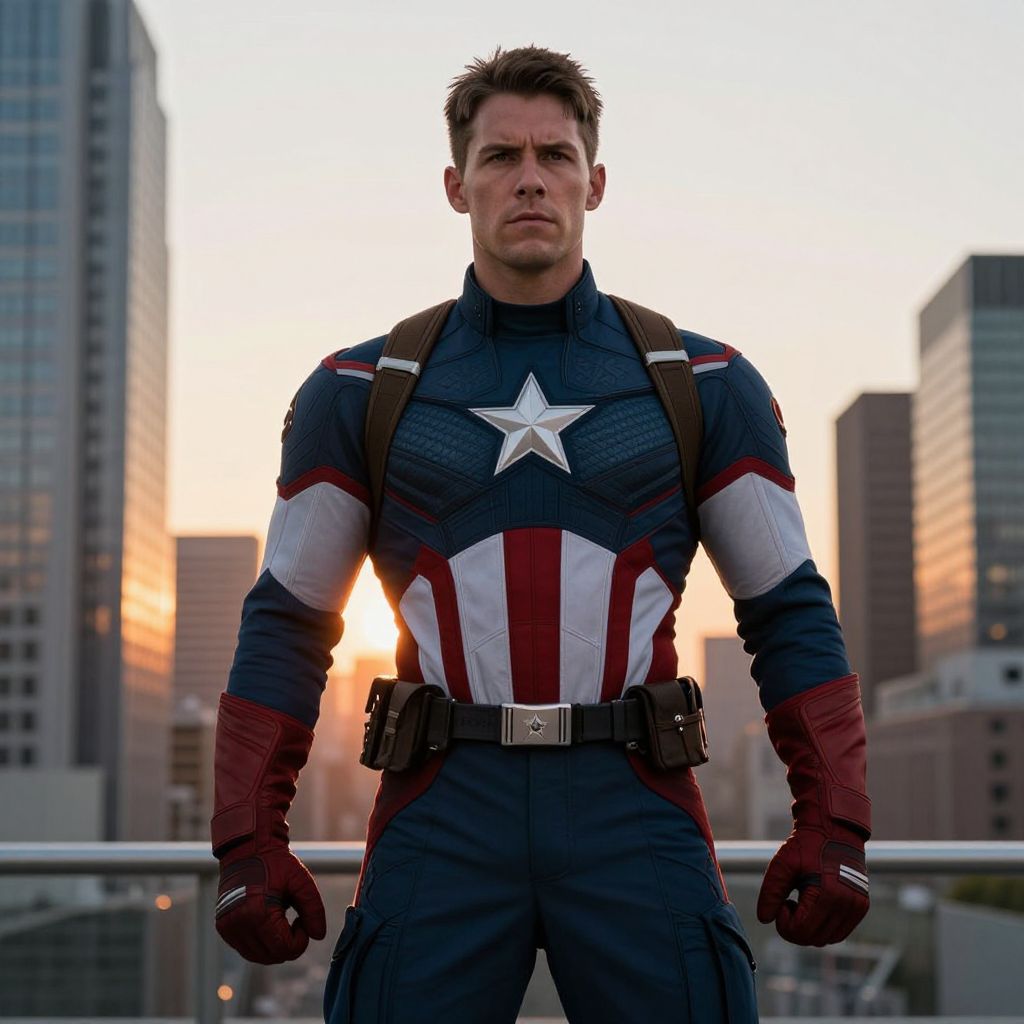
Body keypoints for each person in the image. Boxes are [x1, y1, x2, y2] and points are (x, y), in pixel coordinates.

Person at [210, 46, 871, 1024]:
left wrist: (838, 820)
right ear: (455, 184)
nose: (529, 177)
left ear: (595, 182)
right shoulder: (356, 390)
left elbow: (787, 610)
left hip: (632, 805)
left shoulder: (700, 381)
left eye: (555, 155)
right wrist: (245, 838)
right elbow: (289, 623)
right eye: (499, 156)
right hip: (441, 805)